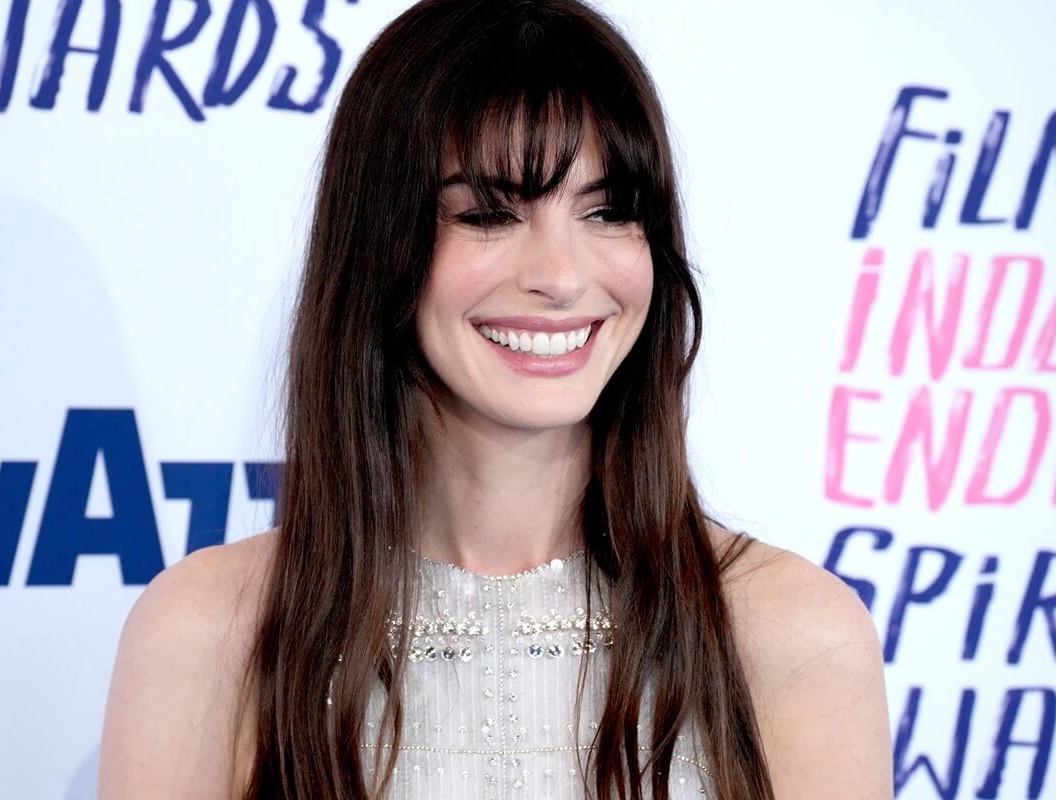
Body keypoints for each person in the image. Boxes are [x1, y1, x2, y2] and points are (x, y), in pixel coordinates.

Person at [96, 0, 893, 797]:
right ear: (380, 247)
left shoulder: (792, 636)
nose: (564, 275)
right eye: (488, 213)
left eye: (609, 211)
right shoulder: (209, 638)